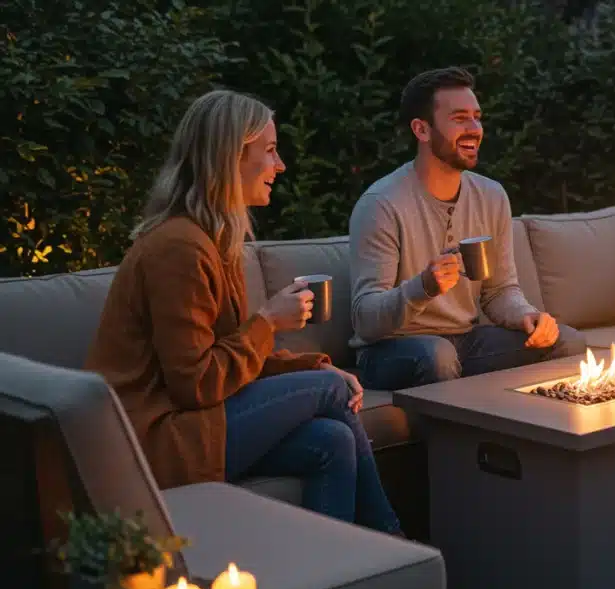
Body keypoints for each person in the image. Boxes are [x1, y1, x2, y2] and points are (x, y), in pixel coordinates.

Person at [86, 90, 404, 536]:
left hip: (195, 419)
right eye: (270, 151)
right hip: (155, 437)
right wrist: (269, 322)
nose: (280, 166)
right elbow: (196, 383)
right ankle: (392, 542)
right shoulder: (178, 247)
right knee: (331, 392)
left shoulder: (213, 242)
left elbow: (232, 357)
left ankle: (328, 572)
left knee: (332, 440)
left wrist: (315, 364)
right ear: (230, 158)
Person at [348, 67, 587, 391]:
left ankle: (537, 439)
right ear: (422, 129)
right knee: (438, 355)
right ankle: (457, 443)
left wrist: (525, 315)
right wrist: (423, 287)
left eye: (477, 118)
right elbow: (366, 319)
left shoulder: (491, 196)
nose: (475, 129)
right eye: (460, 119)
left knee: (566, 342)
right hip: (391, 350)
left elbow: (500, 290)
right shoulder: (381, 204)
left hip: (463, 343)